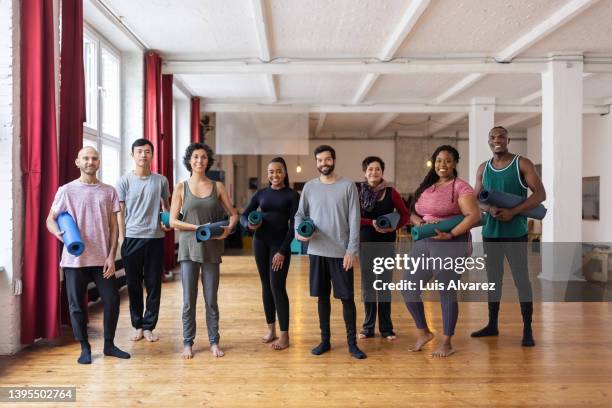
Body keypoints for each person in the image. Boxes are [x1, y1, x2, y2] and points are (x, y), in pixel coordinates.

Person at [46, 146, 130, 364]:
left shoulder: (109, 191)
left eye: (94, 158)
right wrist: (58, 233)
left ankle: (109, 345)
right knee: (76, 306)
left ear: (98, 162)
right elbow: (50, 219)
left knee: (111, 300)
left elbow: (114, 227)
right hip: (75, 260)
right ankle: (84, 347)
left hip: (102, 260)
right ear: (78, 162)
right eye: (86, 158)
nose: (90, 161)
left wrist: (112, 255)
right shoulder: (66, 191)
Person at [471, 126, 546, 347]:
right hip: (491, 233)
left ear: (508, 139)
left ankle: (528, 330)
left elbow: (541, 194)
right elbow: (476, 199)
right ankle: (492, 324)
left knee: (522, 281)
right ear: (488, 141)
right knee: (493, 281)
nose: (497, 140)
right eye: (493, 137)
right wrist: (488, 209)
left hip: (515, 232)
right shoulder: (483, 168)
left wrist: (513, 212)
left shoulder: (522, 163)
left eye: (501, 136)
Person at [403, 145, 481, 357]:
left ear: (455, 163)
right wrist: (419, 222)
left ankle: (446, 341)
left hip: (450, 242)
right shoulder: (427, 186)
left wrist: (452, 233)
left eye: (447, 160)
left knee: (446, 291)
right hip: (424, 240)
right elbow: (413, 212)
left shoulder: (461, 187)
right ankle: (424, 333)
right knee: (408, 288)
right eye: (438, 160)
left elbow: (474, 216)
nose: (442, 165)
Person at [295, 145, 366, 359]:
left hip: (341, 252)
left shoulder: (347, 186)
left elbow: (354, 221)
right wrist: (299, 233)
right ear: (316, 162)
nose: (323, 163)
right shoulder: (309, 187)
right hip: (317, 251)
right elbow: (300, 214)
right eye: (319, 160)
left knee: (347, 299)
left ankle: (352, 343)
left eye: (327, 159)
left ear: (333, 160)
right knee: (322, 298)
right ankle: (325, 340)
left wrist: (351, 251)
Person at [170, 142, 238, 359]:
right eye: (196, 157)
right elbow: (173, 221)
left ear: (208, 161)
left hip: (211, 249)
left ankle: (214, 341)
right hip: (189, 249)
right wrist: (195, 228)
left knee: (211, 299)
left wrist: (228, 230)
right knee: (189, 300)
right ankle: (187, 342)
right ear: (189, 161)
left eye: (204, 157)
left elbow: (233, 214)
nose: (200, 161)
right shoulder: (181, 187)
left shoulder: (217, 187)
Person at [241, 157, 299, 350]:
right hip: (260, 242)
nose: (275, 175)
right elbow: (243, 216)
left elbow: (294, 226)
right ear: (268, 175)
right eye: (271, 172)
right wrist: (249, 224)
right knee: (266, 285)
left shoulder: (292, 195)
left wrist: (283, 250)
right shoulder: (261, 194)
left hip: (279, 244)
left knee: (277, 286)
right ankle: (271, 330)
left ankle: (284, 335)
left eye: (279, 171)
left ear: (285, 173)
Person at [116, 138, 171, 343]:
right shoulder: (124, 181)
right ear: (133, 155)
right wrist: (122, 238)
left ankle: (149, 326)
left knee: (154, 284)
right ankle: (137, 325)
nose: (143, 155)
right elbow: (120, 213)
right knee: (133, 285)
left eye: (147, 151)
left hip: (155, 238)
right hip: (131, 238)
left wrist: (167, 221)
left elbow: (166, 206)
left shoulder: (161, 180)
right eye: (139, 152)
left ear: (152, 155)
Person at [357, 156, 409, 341]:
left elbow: (405, 215)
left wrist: (393, 227)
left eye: (377, 169)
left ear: (382, 172)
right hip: (366, 244)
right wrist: (371, 222)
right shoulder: (358, 192)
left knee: (384, 286)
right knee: (369, 286)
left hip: (386, 244)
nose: (374, 172)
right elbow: (353, 218)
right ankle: (368, 328)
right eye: (370, 169)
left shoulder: (391, 192)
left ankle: (386, 328)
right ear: (365, 173)